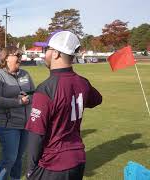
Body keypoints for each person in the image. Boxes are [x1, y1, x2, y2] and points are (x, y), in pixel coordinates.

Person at [25, 30, 102, 180]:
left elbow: (36, 135)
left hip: (53, 165)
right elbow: (97, 99)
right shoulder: (83, 82)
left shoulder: (46, 89)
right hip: (77, 160)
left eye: (46, 49)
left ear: (56, 54)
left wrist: (30, 171)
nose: (44, 54)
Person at [0, 46, 35, 180]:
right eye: (16, 55)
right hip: (8, 126)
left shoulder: (25, 74)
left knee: (19, 158)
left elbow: (34, 92)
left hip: (25, 124)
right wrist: (18, 101)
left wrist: (29, 98)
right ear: (6, 58)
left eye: (20, 55)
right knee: (10, 158)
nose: (20, 57)